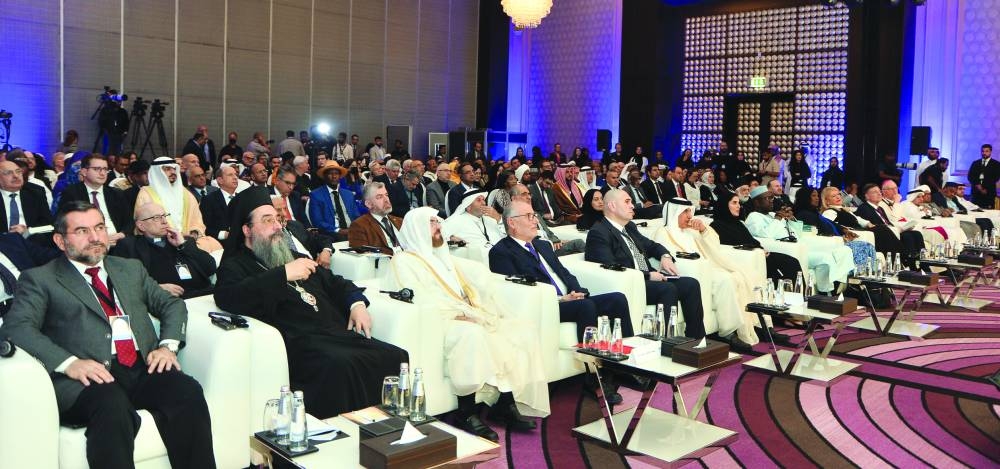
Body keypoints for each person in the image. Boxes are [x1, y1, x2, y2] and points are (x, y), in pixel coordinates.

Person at [0, 202, 215, 468]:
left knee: (187, 391)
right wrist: (69, 363)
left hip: (142, 365)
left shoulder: (129, 269)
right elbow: (16, 327)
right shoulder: (40, 279)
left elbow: (170, 304)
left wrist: (167, 346)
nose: (94, 237)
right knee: (112, 406)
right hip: (88, 379)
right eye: (82, 231)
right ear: (60, 240)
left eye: (99, 227)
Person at [214, 188, 407, 418]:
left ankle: (391, 432)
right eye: (267, 221)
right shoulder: (235, 266)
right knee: (340, 365)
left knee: (396, 356)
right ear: (247, 230)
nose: (277, 226)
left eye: (277, 219)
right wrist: (283, 274)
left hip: (335, 335)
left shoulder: (294, 257)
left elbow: (337, 283)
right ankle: (352, 436)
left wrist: (357, 305)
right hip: (301, 345)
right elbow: (229, 296)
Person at [390, 207, 549, 441]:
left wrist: (476, 301)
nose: (438, 226)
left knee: (519, 330)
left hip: (468, 315)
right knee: (472, 335)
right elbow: (415, 296)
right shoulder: (404, 261)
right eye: (431, 222)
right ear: (416, 228)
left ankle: (504, 403)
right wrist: (458, 313)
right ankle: (467, 412)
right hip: (439, 322)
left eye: (438, 222)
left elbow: (473, 278)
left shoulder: (443, 257)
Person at [490, 200, 630, 402]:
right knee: (585, 307)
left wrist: (577, 290)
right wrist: (560, 299)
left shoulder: (542, 245)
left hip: (571, 299)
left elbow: (564, 273)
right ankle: (595, 379)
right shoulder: (501, 252)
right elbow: (517, 290)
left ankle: (625, 367)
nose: (535, 220)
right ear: (512, 223)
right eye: (529, 216)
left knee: (617, 299)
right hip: (546, 307)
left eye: (534, 215)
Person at [584, 189, 706, 339]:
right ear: (613, 206)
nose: (632, 206)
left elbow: (651, 245)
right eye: (627, 202)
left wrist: (665, 256)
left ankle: (696, 340)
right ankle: (667, 342)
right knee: (667, 289)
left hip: (649, 278)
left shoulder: (629, 227)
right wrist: (647, 275)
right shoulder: (599, 232)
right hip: (630, 283)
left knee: (691, 284)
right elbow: (610, 267)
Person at [653, 199, 760, 350]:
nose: (689, 215)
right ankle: (728, 333)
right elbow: (669, 260)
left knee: (738, 276)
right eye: (685, 212)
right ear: (674, 212)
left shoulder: (691, 231)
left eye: (690, 211)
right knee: (726, 280)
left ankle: (749, 326)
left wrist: (703, 230)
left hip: (707, 269)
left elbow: (715, 244)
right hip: (689, 273)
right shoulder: (664, 232)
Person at [743, 186, 853, 294]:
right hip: (785, 252)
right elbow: (765, 235)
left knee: (835, 254)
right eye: (768, 198)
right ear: (757, 202)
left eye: (772, 198)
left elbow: (796, 234)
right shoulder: (753, 217)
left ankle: (828, 290)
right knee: (824, 258)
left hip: (797, 247)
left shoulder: (772, 215)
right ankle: (828, 293)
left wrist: (791, 219)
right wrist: (777, 219)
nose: (772, 201)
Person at [111, 202, 217, 298]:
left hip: (205, 294)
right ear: (141, 225)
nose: (164, 221)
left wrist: (182, 245)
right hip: (168, 302)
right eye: (156, 218)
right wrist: (156, 288)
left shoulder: (183, 241)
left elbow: (211, 267)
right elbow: (123, 281)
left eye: (165, 216)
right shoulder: (129, 246)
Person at [710, 194, 802, 282]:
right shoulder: (716, 225)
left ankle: (800, 296)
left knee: (792, 262)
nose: (738, 206)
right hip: (745, 259)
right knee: (787, 265)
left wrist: (760, 249)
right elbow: (730, 245)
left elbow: (751, 240)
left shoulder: (738, 223)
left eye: (738, 203)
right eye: (734, 203)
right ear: (724, 205)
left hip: (757, 255)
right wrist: (757, 251)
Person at [820, 186, 912, 266]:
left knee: (882, 228)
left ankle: (900, 258)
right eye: (833, 196)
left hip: (861, 230)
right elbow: (828, 224)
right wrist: (845, 230)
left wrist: (868, 223)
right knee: (881, 229)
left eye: (838, 194)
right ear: (827, 201)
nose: (838, 197)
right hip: (854, 233)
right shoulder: (830, 211)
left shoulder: (844, 209)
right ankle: (904, 256)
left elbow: (859, 219)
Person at [134, 157, 212, 246]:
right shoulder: (146, 193)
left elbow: (197, 220)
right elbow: (145, 225)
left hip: (189, 241)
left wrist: (193, 234)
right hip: (159, 244)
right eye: (167, 169)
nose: (173, 172)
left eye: (174, 169)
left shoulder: (186, 194)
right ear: (157, 173)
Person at [793, 187, 876, 267]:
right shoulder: (804, 215)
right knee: (862, 247)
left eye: (817, 195)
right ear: (805, 197)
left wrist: (844, 230)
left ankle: (866, 274)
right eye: (813, 196)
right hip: (824, 245)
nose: (817, 198)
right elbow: (813, 233)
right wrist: (840, 238)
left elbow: (831, 224)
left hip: (834, 241)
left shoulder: (814, 213)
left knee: (866, 246)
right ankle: (859, 275)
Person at [56, 154, 131, 242]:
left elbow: (129, 222)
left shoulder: (116, 193)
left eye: (105, 169)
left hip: (118, 241)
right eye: (96, 169)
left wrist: (121, 235)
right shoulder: (71, 193)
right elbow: (64, 223)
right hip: (88, 241)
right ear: (84, 172)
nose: (102, 173)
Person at [854, 183, 926, 265]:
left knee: (916, 233)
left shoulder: (879, 208)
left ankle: (923, 260)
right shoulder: (864, 208)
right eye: (874, 192)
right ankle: (909, 261)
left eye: (879, 191)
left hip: (890, 230)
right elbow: (874, 226)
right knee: (907, 236)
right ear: (867, 196)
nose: (879, 194)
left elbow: (887, 222)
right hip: (881, 235)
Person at [508, 184, 584, 255]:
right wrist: (551, 242)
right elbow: (530, 239)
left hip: (551, 244)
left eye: (529, 194)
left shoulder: (535, 213)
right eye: (524, 194)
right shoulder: (515, 218)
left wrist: (557, 240)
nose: (529, 197)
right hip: (542, 249)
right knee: (578, 243)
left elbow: (548, 232)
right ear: (513, 198)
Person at [0, 160, 54, 242]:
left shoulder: (35, 192)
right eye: (8, 173)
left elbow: (47, 223)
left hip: (31, 241)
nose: (15, 176)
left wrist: (28, 231)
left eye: (18, 171)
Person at [442, 190, 505, 255]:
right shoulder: (457, 220)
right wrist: (460, 243)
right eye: (478, 200)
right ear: (468, 206)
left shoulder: (490, 218)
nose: (483, 203)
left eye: (483, 200)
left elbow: (507, 236)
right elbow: (439, 239)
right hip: (478, 260)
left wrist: (498, 218)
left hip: (503, 254)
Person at [348, 182, 403, 255]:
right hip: (383, 264)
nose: (386, 200)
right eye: (379, 197)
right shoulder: (359, 226)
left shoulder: (400, 221)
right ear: (369, 204)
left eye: (386, 195)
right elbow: (362, 255)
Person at [309, 161, 359, 241]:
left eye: (336, 173)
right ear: (325, 176)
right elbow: (318, 222)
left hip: (352, 231)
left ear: (340, 176)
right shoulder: (316, 195)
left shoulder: (348, 194)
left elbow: (357, 216)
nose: (334, 176)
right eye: (330, 173)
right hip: (332, 233)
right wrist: (339, 230)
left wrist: (356, 228)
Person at [968, 144, 999, 209]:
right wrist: (978, 186)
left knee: (989, 214)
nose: (984, 153)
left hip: (989, 193)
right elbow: (970, 176)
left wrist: (984, 189)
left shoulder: (996, 164)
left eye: (986, 151)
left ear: (990, 152)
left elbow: (996, 178)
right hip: (976, 194)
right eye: (982, 151)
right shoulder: (975, 163)